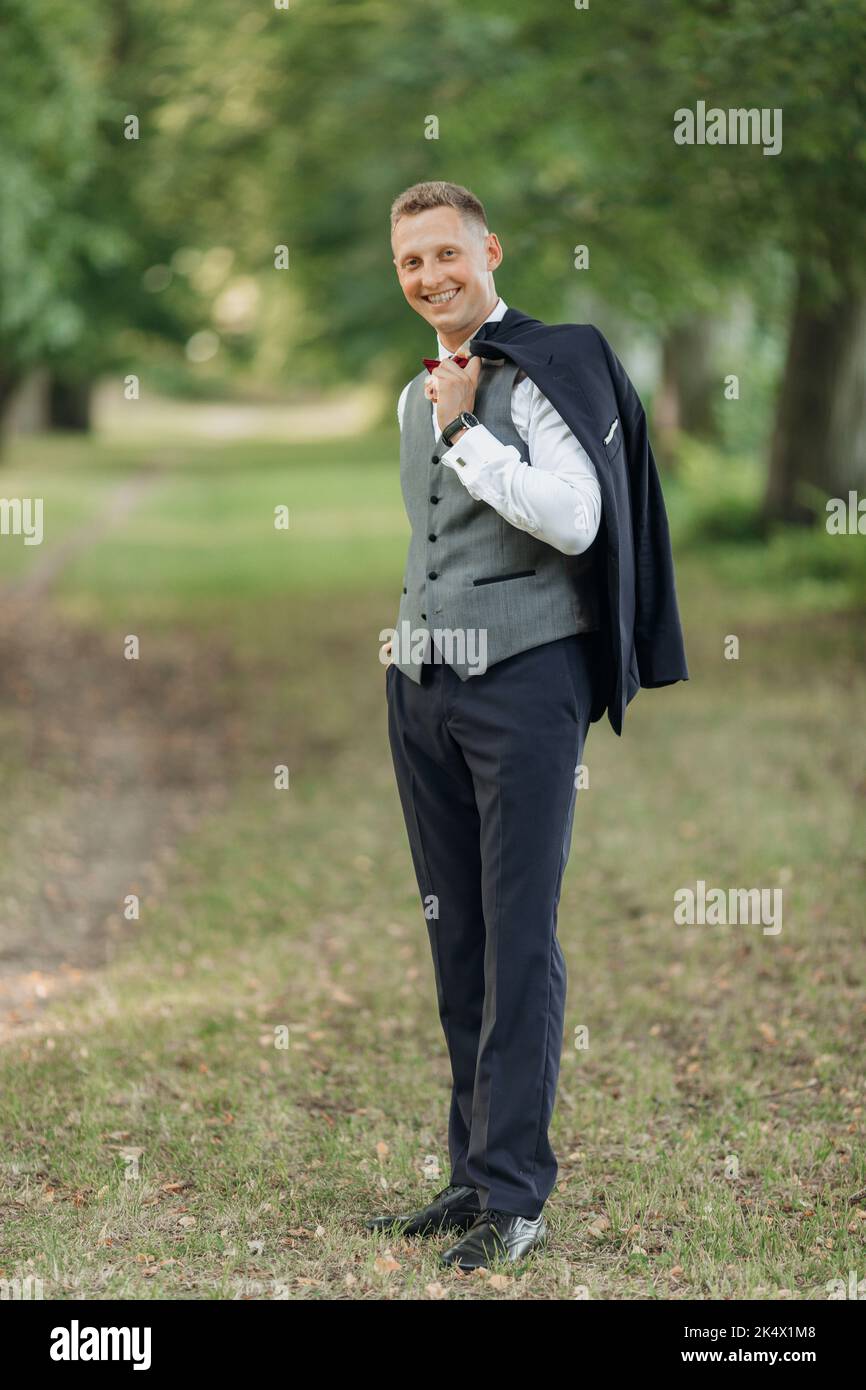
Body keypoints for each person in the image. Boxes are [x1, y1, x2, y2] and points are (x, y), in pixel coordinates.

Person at [366, 180, 687, 1270]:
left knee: (517, 939)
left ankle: (517, 1192)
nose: (430, 278)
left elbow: (575, 514)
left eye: (446, 254)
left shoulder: (554, 363)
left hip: (523, 685)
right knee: (453, 932)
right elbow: (435, 546)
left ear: (487, 250)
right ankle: (467, 1175)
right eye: (411, 263)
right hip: (423, 687)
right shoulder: (414, 398)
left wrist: (468, 432)